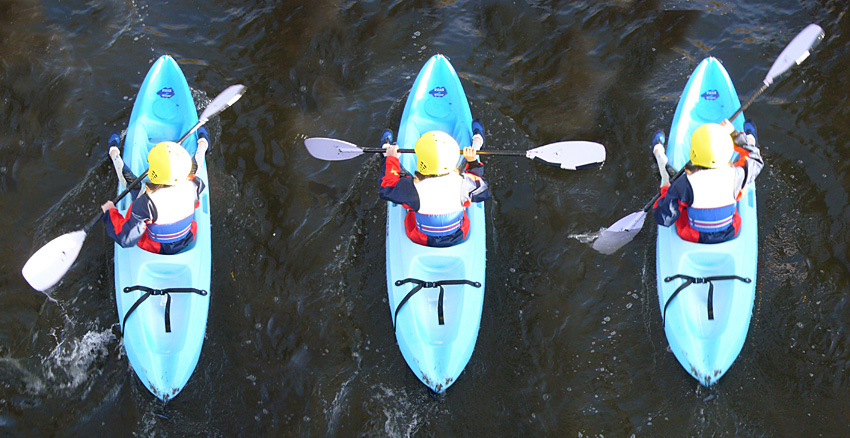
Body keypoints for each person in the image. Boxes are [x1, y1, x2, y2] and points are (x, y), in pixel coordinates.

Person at [378, 120, 490, 247]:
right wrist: (473, 161)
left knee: (403, 179)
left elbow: (386, 188)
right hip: (458, 234)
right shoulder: (464, 183)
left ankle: (386, 151)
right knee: (469, 181)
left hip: (421, 237)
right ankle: (477, 141)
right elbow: (483, 191)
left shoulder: (413, 189)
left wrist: (391, 159)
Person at [653, 119, 763, 244]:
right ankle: (749, 138)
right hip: (729, 231)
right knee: (745, 162)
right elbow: (755, 158)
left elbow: (664, 218)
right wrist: (735, 135)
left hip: (692, 236)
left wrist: (666, 190)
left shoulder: (683, 184)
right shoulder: (737, 175)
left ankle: (657, 150)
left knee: (677, 198)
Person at [100, 129, 209, 254]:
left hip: (157, 246)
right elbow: (196, 165)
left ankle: (113, 151)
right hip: (186, 238)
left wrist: (110, 212)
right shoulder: (195, 184)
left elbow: (126, 239)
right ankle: (204, 141)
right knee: (195, 168)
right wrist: (202, 142)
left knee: (133, 186)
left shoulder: (146, 203)